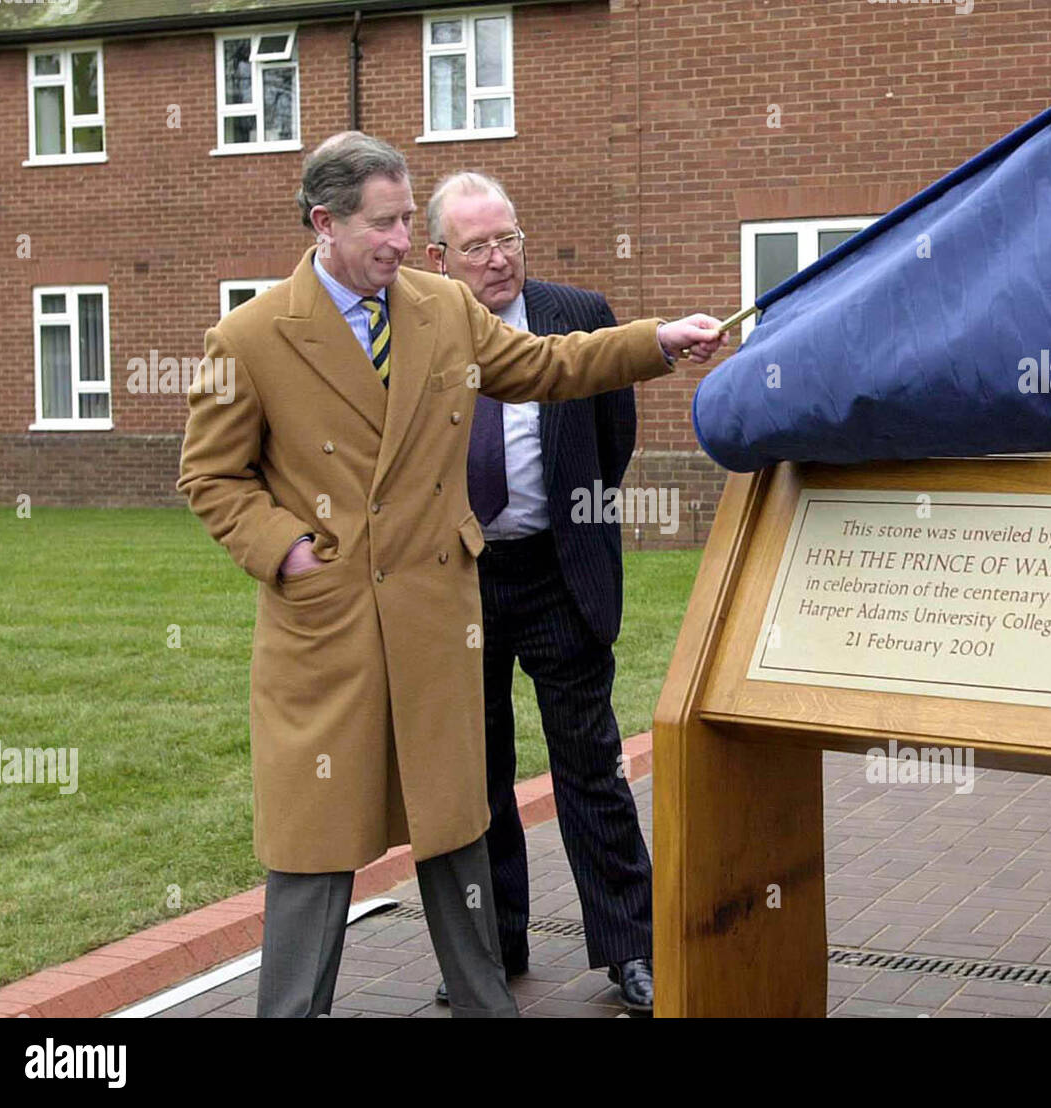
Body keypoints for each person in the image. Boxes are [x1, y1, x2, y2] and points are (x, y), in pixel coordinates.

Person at [176, 131, 724, 1018]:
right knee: (315, 839)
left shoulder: (439, 308)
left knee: (455, 820)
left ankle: (484, 999)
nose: (400, 240)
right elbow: (211, 476)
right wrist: (287, 553)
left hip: (439, 612)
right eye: (384, 224)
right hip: (330, 626)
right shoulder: (249, 336)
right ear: (325, 223)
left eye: (406, 218)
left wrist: (656, 341)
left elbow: (550, 365)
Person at [423, 172, 654, 1012]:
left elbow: (612, 436)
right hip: (457, 581)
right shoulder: (415, 325)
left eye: (510, 238)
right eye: (478, 246)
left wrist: (571, 517)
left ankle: (633, 951)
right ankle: (492, 947)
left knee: (590, 765)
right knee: (474, 778)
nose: (499, 259)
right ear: (438, 257)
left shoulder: (577, 313)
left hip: (560, 571)